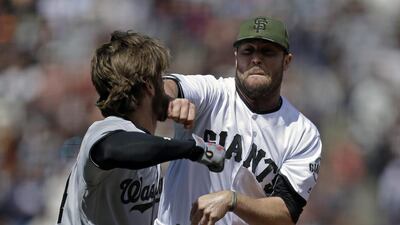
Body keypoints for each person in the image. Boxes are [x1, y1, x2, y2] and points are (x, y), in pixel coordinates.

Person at [156, 16, 322, 225]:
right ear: (236, 57)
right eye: (248, 50)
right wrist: (170, 100)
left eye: (267, 51)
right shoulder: (213, 94)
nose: (256, 59)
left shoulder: (302, 133)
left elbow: (286, 212)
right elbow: (169, 84)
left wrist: (233, 200)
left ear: (286, 61)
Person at [56, 31, 225, 225]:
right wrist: (194, 148)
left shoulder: (147, 148)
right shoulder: (105, 131)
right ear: (149, 87)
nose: (165, 87)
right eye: (160, 80)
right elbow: (114, 149)